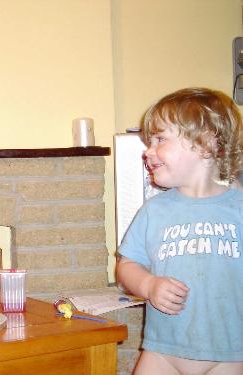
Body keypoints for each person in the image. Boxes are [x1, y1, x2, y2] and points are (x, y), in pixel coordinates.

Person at [116, 87, 242, 375]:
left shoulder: (238, 208)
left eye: (160, 139)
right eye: (150, 141)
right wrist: (148, 285)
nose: (148, 151)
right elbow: (127, 265)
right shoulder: (154, 211)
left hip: (228, 354)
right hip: (162, 352)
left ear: (206, 143)